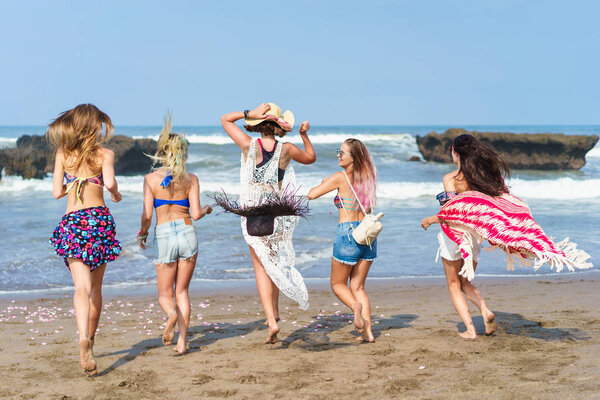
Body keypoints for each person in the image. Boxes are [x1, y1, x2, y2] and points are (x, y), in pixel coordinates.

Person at [220, 102, 315, 344]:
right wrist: (304, 136)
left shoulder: (248, 145)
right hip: (278, 214)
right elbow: (311, 158)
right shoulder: (287, 149)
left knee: (261, 267)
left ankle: (271, 320)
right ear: (278, 125)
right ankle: (275, 312)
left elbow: (224, 120)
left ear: (258, 124)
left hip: (254, 214)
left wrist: (246, 113)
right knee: (274, 260)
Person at [48, 104, 122, 376]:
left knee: (81, 288)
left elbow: (56, 192)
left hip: (73, 223)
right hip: (99, 222)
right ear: (96, 126)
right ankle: (90, 338)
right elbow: (111, 183)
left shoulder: (63, 154)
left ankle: (82, 337)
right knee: (96, 289)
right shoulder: (106, 154)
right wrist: (115, 194)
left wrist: (72, 182)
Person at [137, 114, 212, 355]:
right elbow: (197, 214)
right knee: (182, 292)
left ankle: (171, 315)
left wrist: (143, 233)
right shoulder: (191, 179)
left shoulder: (150, 179)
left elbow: (147, 214)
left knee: (164, 295)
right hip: (187, 231)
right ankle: (182, 342)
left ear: (162, 151)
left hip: (165, 234)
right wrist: (208, 209)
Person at [307, 138, 378, 342]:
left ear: (353, 157)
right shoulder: (369, 177)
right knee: (358, 287)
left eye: (342, 152)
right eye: (338, 151)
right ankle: (368, 333)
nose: (338, 155)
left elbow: (311, 195)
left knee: (338, 284)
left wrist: (323, 183)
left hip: (348, 234)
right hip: (368, 234)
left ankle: (354, 307)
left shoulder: (340, 177)